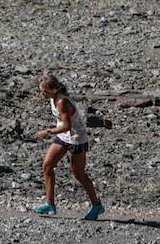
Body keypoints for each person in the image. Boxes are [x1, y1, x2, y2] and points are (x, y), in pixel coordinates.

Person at [30, 74, 104, 220]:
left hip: (76, 138)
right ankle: (49, 204)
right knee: (47, 166)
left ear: (53, 89)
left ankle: (96, 205)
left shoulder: (62, 102)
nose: (41, 94)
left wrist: (48, 131)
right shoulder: (53, 98)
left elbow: (67, 126)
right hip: (64, 136)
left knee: (78, 174)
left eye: (44, 91)